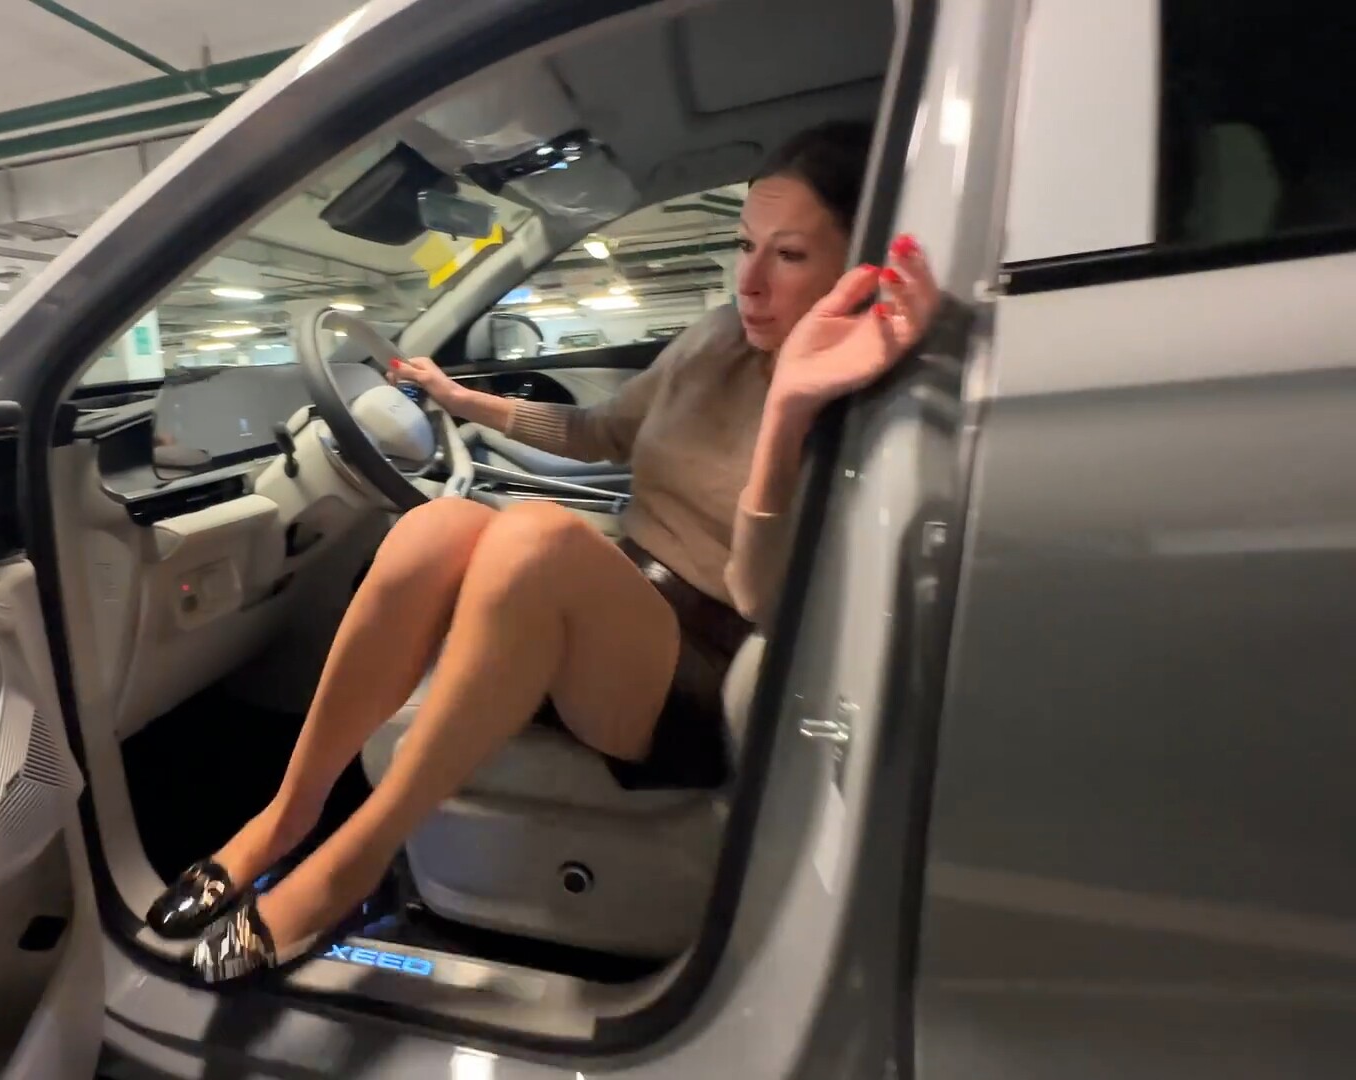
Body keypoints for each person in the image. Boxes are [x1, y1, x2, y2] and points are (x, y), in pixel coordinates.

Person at [151, 120, 943, 983]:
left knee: (535, 537)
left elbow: (761, 597)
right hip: (618, 595)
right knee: (434, 529)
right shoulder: (718, 336)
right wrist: (459, 399)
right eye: (745, 245)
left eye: (787, 256)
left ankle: (353, 863)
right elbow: (598, 432)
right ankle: (284, 818)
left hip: (698, 664)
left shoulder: (855, 395)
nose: (749, 282)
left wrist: (788, 412)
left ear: (856, 264)